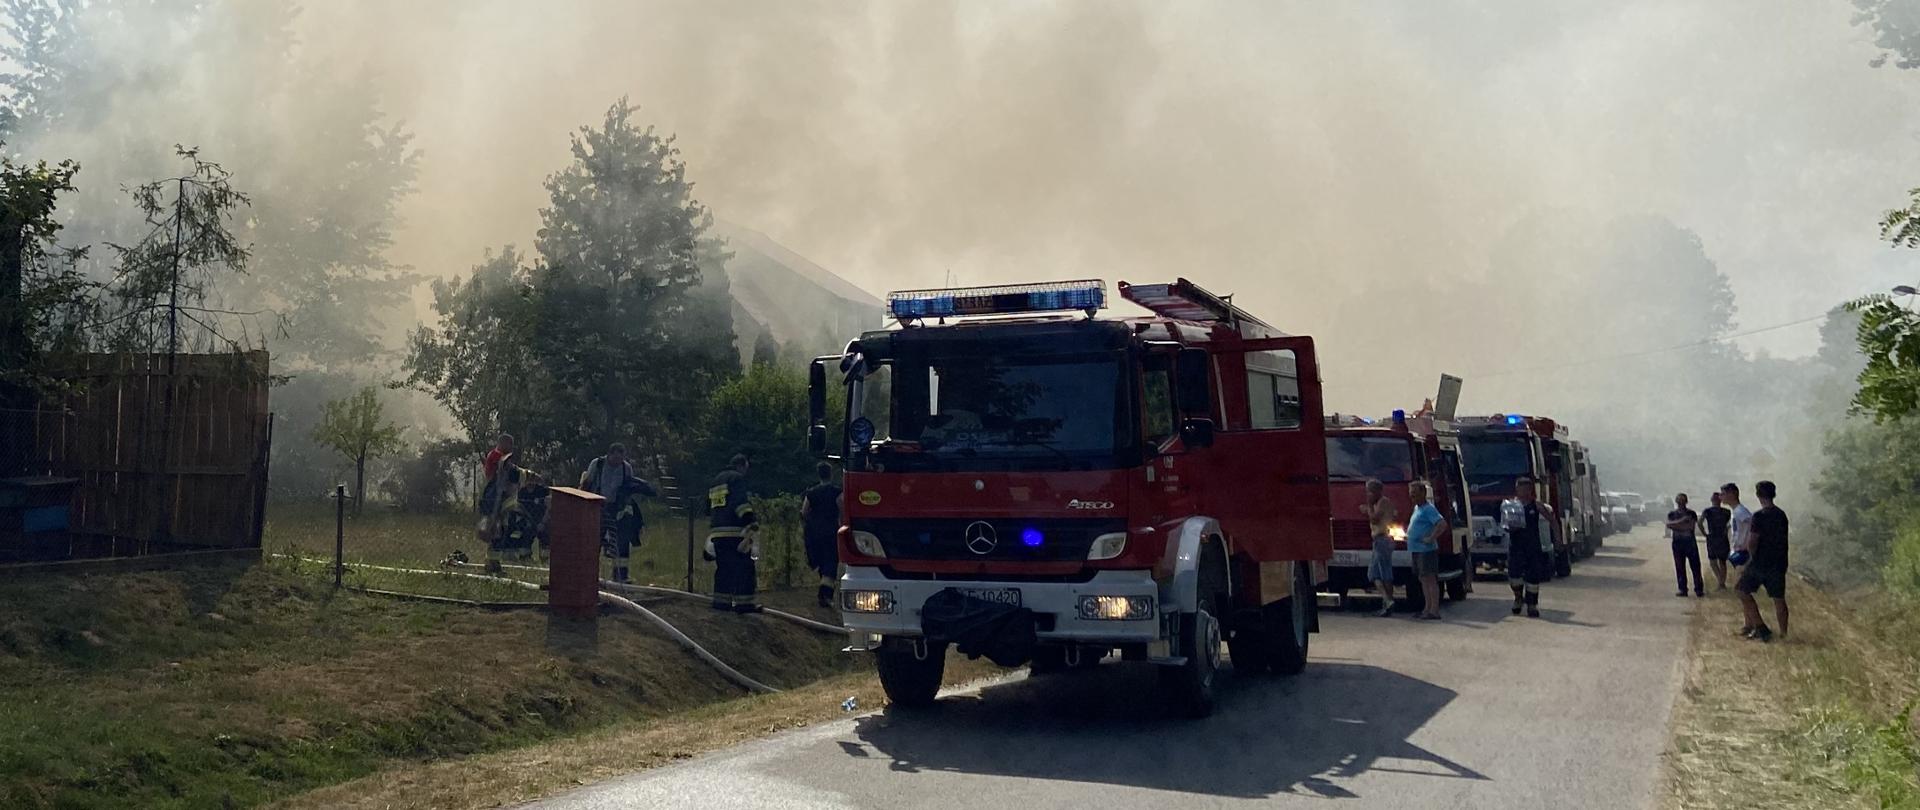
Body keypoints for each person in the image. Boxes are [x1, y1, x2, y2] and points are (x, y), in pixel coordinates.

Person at [1736, 481, 1791, 642]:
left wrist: (1751, 557)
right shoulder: (1781, 515)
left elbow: (1753, 541)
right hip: (1779, 562)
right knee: (1778, 598)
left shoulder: (1759, 516)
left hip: (1760, 562)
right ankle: (1784, 633)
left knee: (1742, 590)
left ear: (1758, 495)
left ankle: (1761, 627)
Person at [704, 454, 760, 613]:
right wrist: (750, 519)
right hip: (735, 532)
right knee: (745, 568)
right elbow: (740, 504)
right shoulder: (737, 479)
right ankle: (745, 604)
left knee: (724, 568)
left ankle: (721, 603)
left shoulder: (716, 480)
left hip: (717, 532)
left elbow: (709, 508)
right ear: (741, 466)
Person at [1503, 476, 1555, 618]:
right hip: (1516, 547)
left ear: (1530, 489)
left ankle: (1532, 605)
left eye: (1527, 488)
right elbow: (1505, 524)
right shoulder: (1510, 506)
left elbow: (1552, 519)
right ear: (1517, 489)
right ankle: (1518, 598)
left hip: (1532, 547)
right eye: (1521, 488)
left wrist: (1558, 539)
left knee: (1533, 579)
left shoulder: (1536, 506)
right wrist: (1509, 528)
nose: (1524, 491)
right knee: (1514, 577)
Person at [1405, 479, 1449, 621]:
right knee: (1423, 579)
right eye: (1411, 495)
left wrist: (1431, 537)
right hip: (1416, 549)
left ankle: (1434, 610)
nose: (1413, 498)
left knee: (1430, 579)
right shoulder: (1417, 509)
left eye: (1415, 494)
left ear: (1423, 493)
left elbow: (1442, 524)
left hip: (1426, 550)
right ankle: (1427, 608)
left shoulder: (1429, 509)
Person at [801, 462, 843, 608]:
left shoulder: (811, 493)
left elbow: (804, 512)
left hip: (814, 533)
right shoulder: (836, 492)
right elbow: (842, 509)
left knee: (821, 562)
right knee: (830, 562)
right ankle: (825, 595)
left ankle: (824, 592)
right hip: (831, 531)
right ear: (830, 474)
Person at [1361, 479, 1400, 617]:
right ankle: (1387, 600)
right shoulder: (1380, 503)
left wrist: (1369, 508)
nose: (1368, 495)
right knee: (1373, 574)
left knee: (1384, 572)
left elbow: (1374, 519)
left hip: (1383, 539)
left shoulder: (1383, 502)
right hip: (1378, 540)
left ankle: (1388, 601)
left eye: (1370, 492)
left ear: (1377, 491)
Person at [1720, 482, 1755, 631]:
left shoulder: (1742, 512)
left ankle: (1753, 624)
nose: (1721, 497)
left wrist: (1747, 548)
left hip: (1743, 553)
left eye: (1723, 494)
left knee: (1742, 590)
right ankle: (1747, 624)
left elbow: (1750, 527)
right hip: (1737, 553)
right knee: (1741, 591)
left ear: (1732, 494)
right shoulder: (1735, 512)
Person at [1665, 493, 1704, 597]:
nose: (1681, 502)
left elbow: (1690, 527)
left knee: (1695, 566)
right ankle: (1682, 589)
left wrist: (1676, 526)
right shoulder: (1672, 514)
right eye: (1679, 500)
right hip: (1678, 543)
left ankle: (1698, 589)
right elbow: (1668, 524)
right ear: (1676, 501)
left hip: (1690, 543)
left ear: (1686, 501)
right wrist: (1682, 521)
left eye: (1683, 500)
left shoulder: (1691, 513)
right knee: (1679, 567)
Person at [1702, 492, 1733, 590]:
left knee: (1713, 561)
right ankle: (1721, 582)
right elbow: (1729, 524)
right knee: (1722, 561)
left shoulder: (1707, 511)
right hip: (1722, 538)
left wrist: (1705, 534)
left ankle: (1720, 581)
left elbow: (1699, 522)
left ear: (1711, 500)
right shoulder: (1727, 512)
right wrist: (1725, 530)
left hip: (1712, 537)